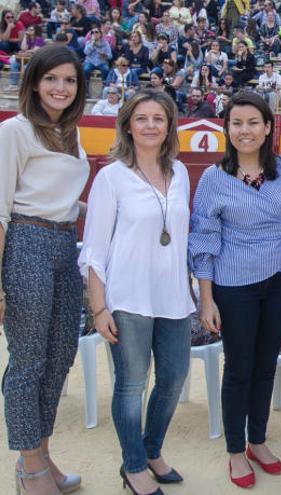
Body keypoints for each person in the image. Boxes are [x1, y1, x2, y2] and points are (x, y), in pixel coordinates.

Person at [190, 92, 281, 489]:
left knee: (265, 364)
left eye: (253, 122)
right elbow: (203, 241)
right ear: (227, 128)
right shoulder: (213, 178)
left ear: (268, 127)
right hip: (233, 285)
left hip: (279, 280)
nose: (245, 130)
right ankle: (236, 450)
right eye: (237, 123)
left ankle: (258, 440)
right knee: (239, 368)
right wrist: (205, 299)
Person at [79, 90, 192, 495]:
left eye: (158, 118)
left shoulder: (179, 172)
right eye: (141, 118)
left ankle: (151, 450)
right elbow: (93, 249)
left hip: (174, 296)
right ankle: (133, 465)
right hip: (127, 296)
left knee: (175, 375)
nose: (150, 125)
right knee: (131, 383)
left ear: (169, 126)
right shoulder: (111, 177)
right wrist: (98, 307)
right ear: (127, 124)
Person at [0, 44, 88, 495]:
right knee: (29, 360)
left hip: (63, 244)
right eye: (52, 78)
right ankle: (30, 467)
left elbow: (66, 199)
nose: (61, 87)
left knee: (59, 358)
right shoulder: (15, 131)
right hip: (26, 242)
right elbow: (0, 209)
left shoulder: (71, 134)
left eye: (69, 80)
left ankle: (43, 456)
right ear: (34, 82)